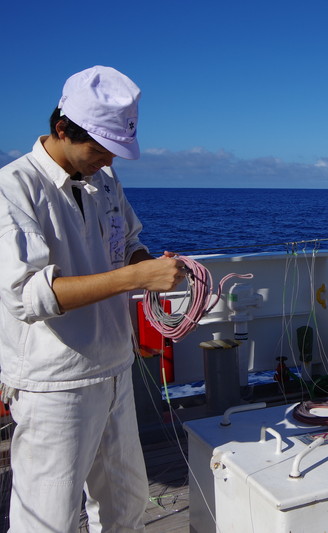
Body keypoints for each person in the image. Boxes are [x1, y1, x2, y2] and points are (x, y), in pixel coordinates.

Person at [0, 66, 186, 531]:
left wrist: (148, 266)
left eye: (114, 152)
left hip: (115, 369)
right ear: (62, 128)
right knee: (48, 519)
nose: (106, 161)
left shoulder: (104, 181)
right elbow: (30, 296)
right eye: (99, 149)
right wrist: (134, 276)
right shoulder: (13, 189)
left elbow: (128, 241)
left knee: (127, 503)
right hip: (55, 385)